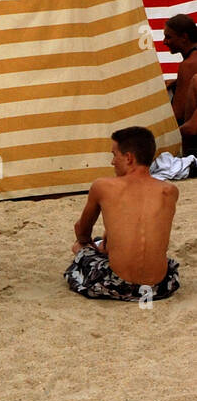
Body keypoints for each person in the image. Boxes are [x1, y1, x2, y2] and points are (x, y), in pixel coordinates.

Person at [65, 126, 179, 300]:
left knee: (81, 247)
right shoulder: (170, 191)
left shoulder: (103, 186)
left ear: (128, 158)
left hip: (118, 285)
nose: (112, 162)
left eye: (114, 155)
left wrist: (88, 246)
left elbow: (82, 232)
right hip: (159, 287)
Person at [165, 14, 197, 156]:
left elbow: (177, 113)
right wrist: (177, 82)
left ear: (184, 37)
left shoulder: (188, 65)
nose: (165, 41)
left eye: (169, 37)